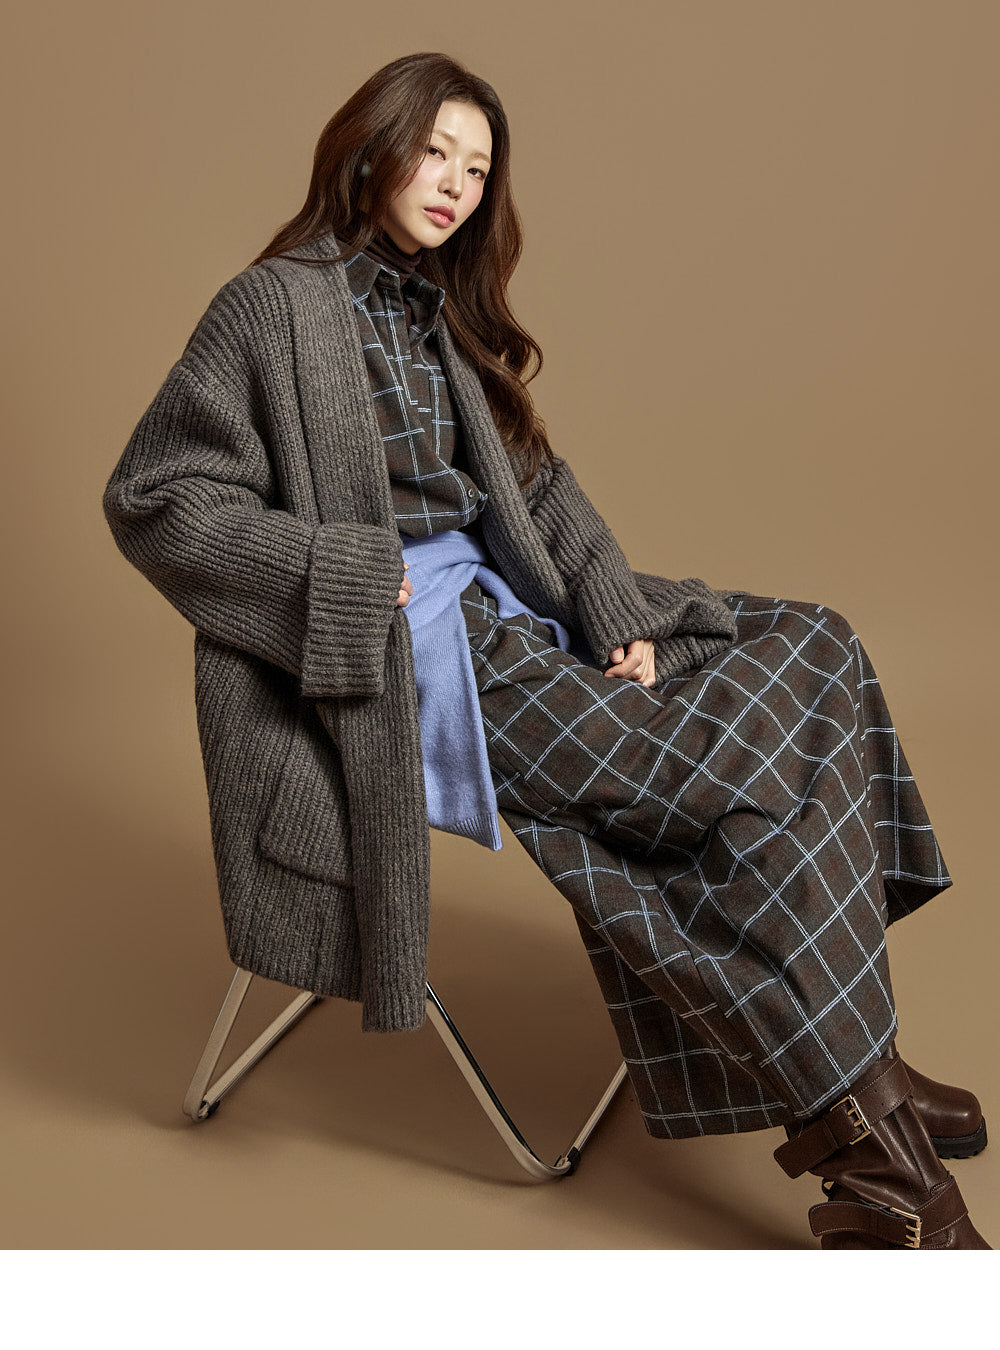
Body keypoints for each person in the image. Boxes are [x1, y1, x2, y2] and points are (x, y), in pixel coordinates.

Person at [102, 51, 990, 1249]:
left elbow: (538, 486)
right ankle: (873, 1148)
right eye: (435, 154)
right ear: (370, 150)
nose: (455, 185)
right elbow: (158, 497)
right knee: (741, 775)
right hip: (418, 650)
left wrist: (616, 612)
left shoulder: (440, 306)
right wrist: (342, 576)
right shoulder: (270, 306)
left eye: (476, 169)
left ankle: (860, 1079)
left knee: (815, 646)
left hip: (520, 608)